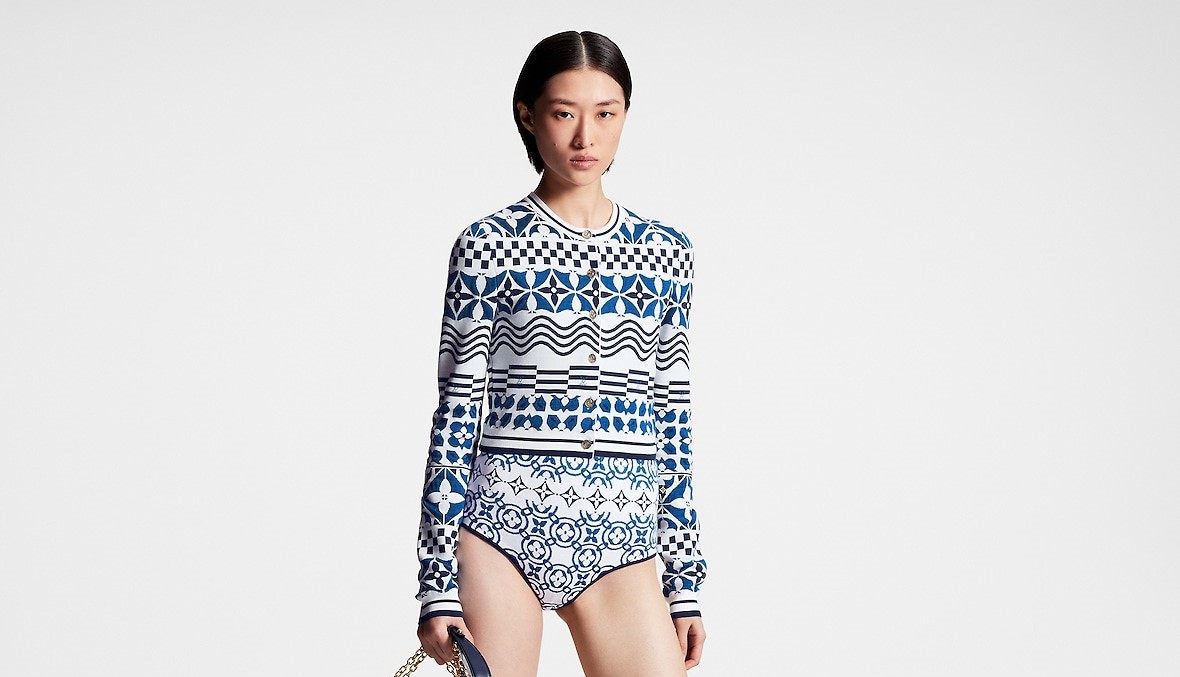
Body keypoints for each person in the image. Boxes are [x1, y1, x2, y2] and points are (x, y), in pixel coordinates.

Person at [413, 29, 708, 677]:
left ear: (625, 115)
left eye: (605, 114)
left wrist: (683, 579)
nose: (585, 138)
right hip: (501, 529)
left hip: (623, 539)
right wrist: (437, 581)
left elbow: (673, 420)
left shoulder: (667, 253)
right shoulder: (488, 244)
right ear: (528, 115)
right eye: (564, 113)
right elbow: (456, 415)